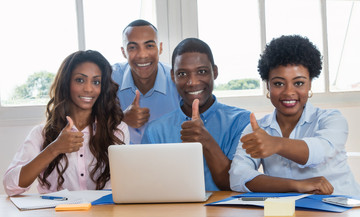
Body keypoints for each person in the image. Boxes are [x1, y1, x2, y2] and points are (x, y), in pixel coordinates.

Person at [229, 35, 360, 196]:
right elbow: (238, 177)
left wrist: (276, 144)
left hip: (345, 211)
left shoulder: (331, 119)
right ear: (268, 86)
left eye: (298, 83)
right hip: (294, 213)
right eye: (278, 83)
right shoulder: (257, 129)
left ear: (310, 83)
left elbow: (319, 152)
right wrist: (296, 185)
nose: (289, 92)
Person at [3, 50, 129, 196]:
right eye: (80, 80)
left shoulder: (117, 130)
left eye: (96, 82)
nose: (88, 89)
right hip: (55, 216)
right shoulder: (41, 133)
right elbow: (11, 187)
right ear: (66, 83)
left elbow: (114, 189)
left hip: (101, 215)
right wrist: (54, 149)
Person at [142, 38, 250, 191]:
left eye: (201, 72)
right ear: (173, 76)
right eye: (182, 73)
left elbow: (235, 182)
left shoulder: (241, 122)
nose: (192, 82)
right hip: (173, 213)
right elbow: (147, 187)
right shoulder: (155, 131)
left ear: (215, 72)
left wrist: (205, 140)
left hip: (226, 213)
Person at [112, 19, 181, 144]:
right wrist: (121, 119)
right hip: (123, 161)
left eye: (149, 46)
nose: (142, 55)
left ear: (160, 48)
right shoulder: (110, 78)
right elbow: (90, 124)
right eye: (133, 47)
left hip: (168, 160)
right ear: (123, 52)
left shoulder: (177, 79)